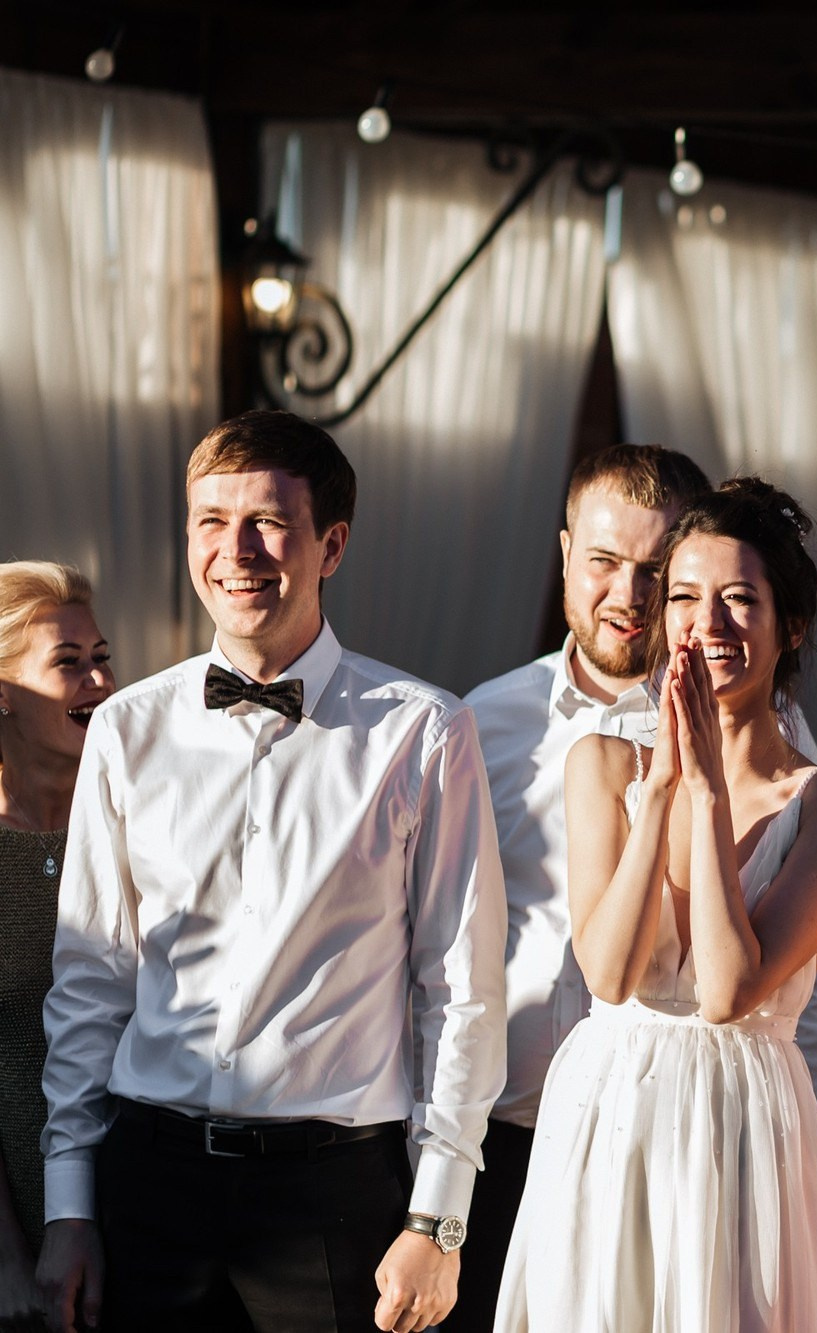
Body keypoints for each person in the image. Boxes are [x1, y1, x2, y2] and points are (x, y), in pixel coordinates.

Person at [36, 411, 506, 1333]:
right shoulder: (128, 728)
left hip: (334, 1198)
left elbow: (459, 991)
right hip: (147, 1189)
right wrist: (69, 1207)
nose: (236, 550)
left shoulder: (423, 731)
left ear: (332, 544)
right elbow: (92, 982)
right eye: (211, 521)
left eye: (268, 522)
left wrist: (438, 1219)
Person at [454, 446, 817, 1331]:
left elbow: (773, 990)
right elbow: (561, 967)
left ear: (788, 623)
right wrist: (666, 784)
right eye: (682, 596)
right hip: (564, 1123)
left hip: (738, 1128)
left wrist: (794, 1152)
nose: (696, 620)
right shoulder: (534, 740)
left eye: (736, 597)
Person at [0, 563, 112, 1331]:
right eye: (68, 662)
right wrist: (5, 1254)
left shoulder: (145, 827)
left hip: (154, 1218)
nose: (99, 679)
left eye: (102, 655)